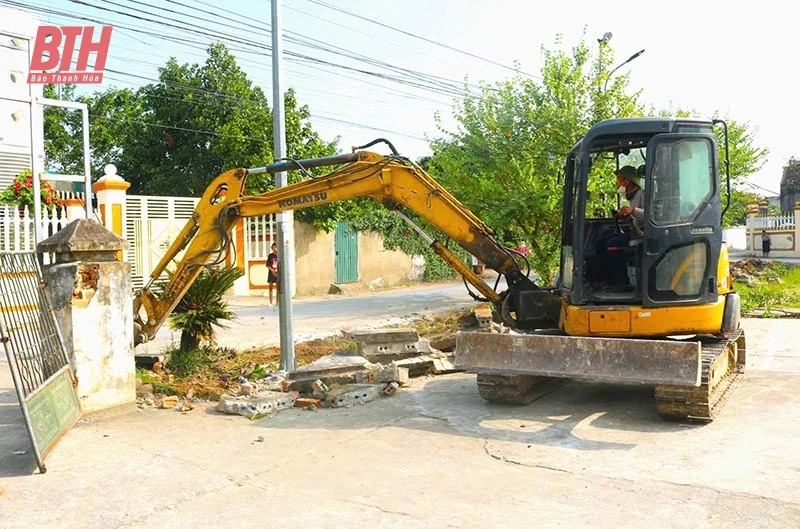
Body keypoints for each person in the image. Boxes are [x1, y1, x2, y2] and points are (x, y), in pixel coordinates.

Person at [594, 165, 645, 286]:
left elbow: (651, 215)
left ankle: (621, 282)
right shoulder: (631, 197)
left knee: (613, 243)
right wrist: (623, 216)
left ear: (627, 181)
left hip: (642, 235)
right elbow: (633, 221)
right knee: (600, 242)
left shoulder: (643, 195)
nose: (617, 184)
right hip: (632, 233)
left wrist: (632, 211)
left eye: (619, 179)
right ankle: (605, 279)